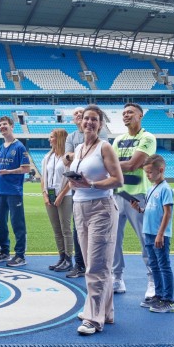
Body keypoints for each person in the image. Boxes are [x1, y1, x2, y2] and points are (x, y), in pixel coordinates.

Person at [56, 105, 123, 335]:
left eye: (94, 119)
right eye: (86, 119)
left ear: (100, 124)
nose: (89, 123)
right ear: (80, 122)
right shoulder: (79, 148)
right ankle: (106, 311)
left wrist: (91, 184)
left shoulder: (105, 147)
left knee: (96, 265)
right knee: (93, 263)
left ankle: (94, 319)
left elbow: (118, 179)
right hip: (79, 207)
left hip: (101, 207)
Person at [112, 102, 157, 299]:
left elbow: (133, 165)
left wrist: (111, 165)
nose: (126, 115)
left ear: (140, 116)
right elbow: (114, 166)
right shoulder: (118, 140)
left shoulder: (147, 138)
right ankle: (117, 278)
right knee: (113, 240)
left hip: (137, 196)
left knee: (145, 240)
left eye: (130, 112)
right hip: (117, 194)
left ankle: (153, 281)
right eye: (124, 113)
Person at [64, 106, 108, 279]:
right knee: (79, 230)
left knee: (97, 240)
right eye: (77, 115)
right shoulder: (72, 138)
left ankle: (98, 271)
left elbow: (98, 154)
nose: (82, 118)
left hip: (99, 197)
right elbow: (66, 158)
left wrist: (74, 157)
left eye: (83, 115)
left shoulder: (101, 140)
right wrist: (72, 156)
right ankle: (80, 265)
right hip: (79, 195)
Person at [131, 154, 174, 313]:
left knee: (164, 266)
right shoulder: (151, 189)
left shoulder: (165, 189)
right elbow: (150, 211)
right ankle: (158, 295)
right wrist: (139, 209)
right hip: (148, 232)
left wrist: (160, 234)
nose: (148, 176)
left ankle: (169, 300)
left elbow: (167, 213)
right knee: (154, 265)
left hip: (159, 234)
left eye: (150, 172)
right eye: (146, 173)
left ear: (161, 170)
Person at [0, 115, 31, 267]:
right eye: (0, 125)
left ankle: (20, 255)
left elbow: (26, 169)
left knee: (17, 223)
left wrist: (8, 172)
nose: (2, 127)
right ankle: (4, 251)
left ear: (12, 126)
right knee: (1, 223)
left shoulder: (19, 147)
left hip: (14, 191)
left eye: (5, 124)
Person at [43, 128, 73, 272]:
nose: (49, 139)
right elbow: (44, 178)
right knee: (56, 229)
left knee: (65, 228)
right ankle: (61, 257)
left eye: (52, 137)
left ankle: (68, 259)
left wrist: (61, 195)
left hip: (65, 196)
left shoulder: (67, 158)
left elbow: (70, 179)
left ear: (59, 138)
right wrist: (45, 194)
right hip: (50, 195)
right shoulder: (47, 157)